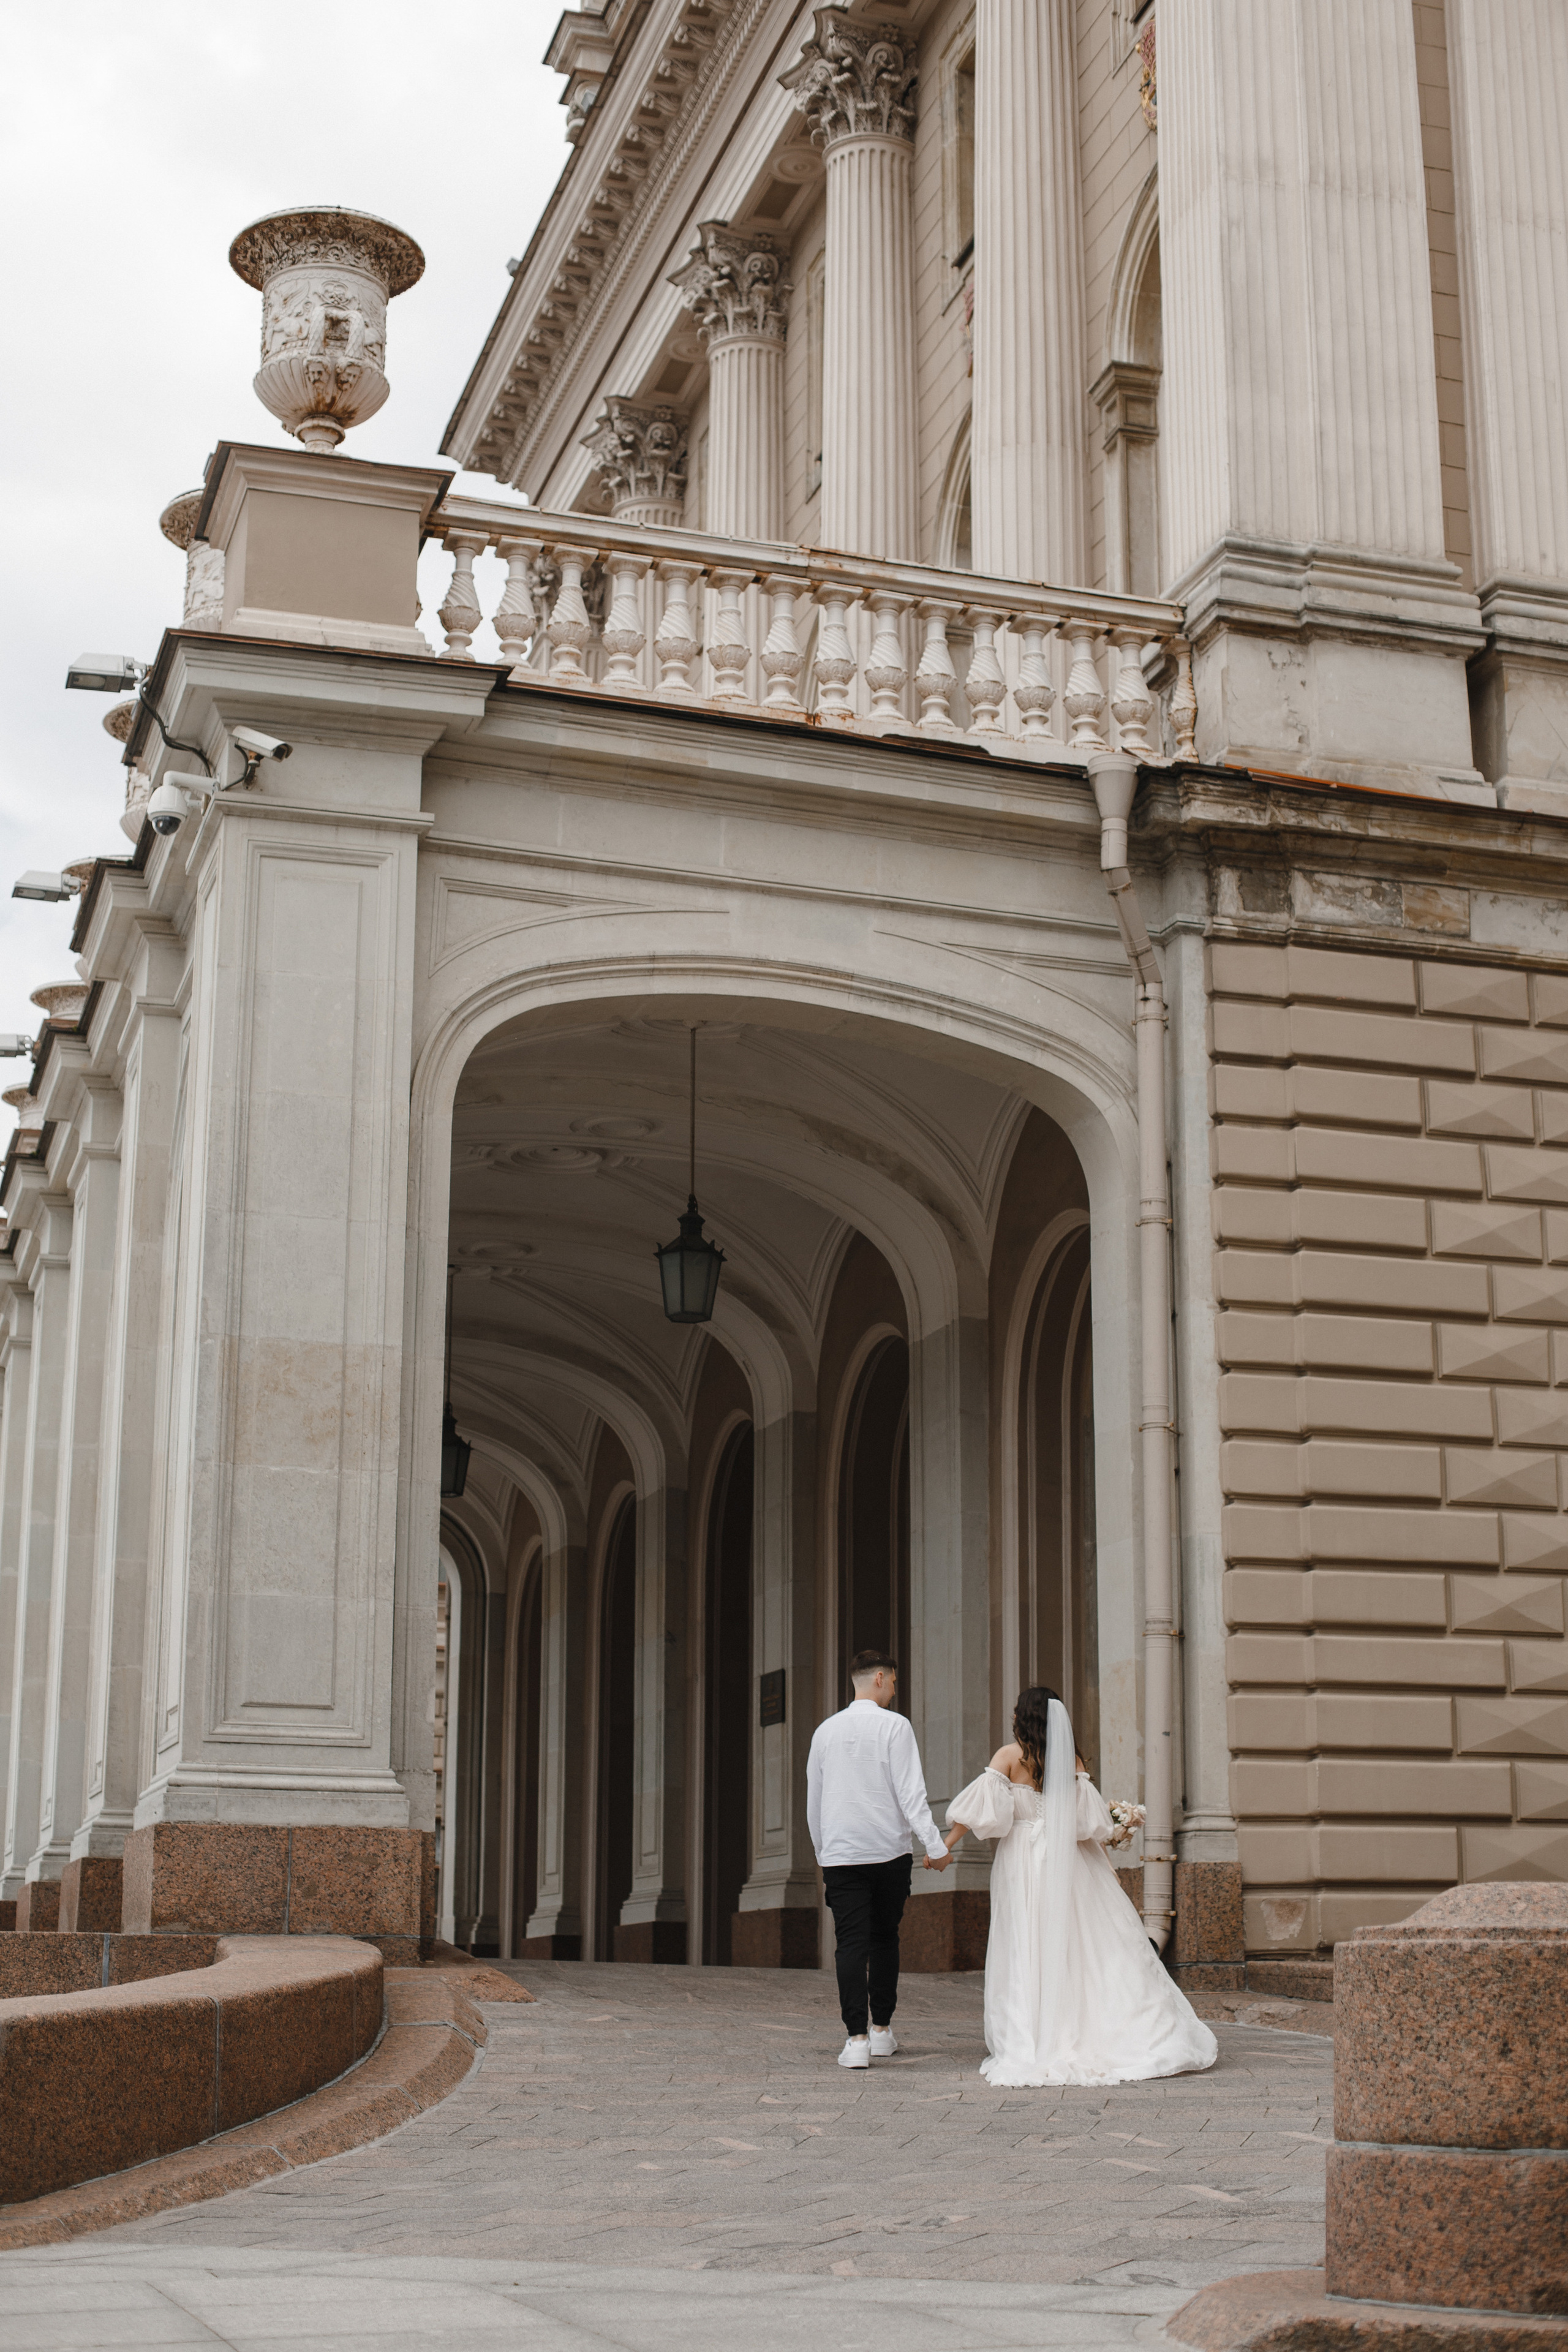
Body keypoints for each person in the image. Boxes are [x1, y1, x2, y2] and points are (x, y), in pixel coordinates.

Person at [939, 1684, 1218, 2087]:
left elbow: (978, 1814)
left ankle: (1035, 2033)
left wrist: (946, 1847)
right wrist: (1110, 1852)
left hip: (1023, 1864)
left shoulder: (1008, 1757)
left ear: (1022, 1717)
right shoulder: (1070, 1760)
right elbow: (1090, 1827)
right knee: (1085, 1946)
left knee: (1026, 1945)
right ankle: (1108, 2028)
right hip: (1069, 1863)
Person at [806, 1648, 950, 2070]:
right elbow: (911, 1793)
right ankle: (883, 2030)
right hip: (889, 1853)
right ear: (882, 1679)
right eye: (894, 1682)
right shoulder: (896, 1727)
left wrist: (822, 1851)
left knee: (850, 1944)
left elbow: (813, 1800)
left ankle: (856, 2041)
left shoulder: (825, 1732)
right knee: (885, 1939)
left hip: (842, 1855)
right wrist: (935, 1846)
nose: (893, 1690)